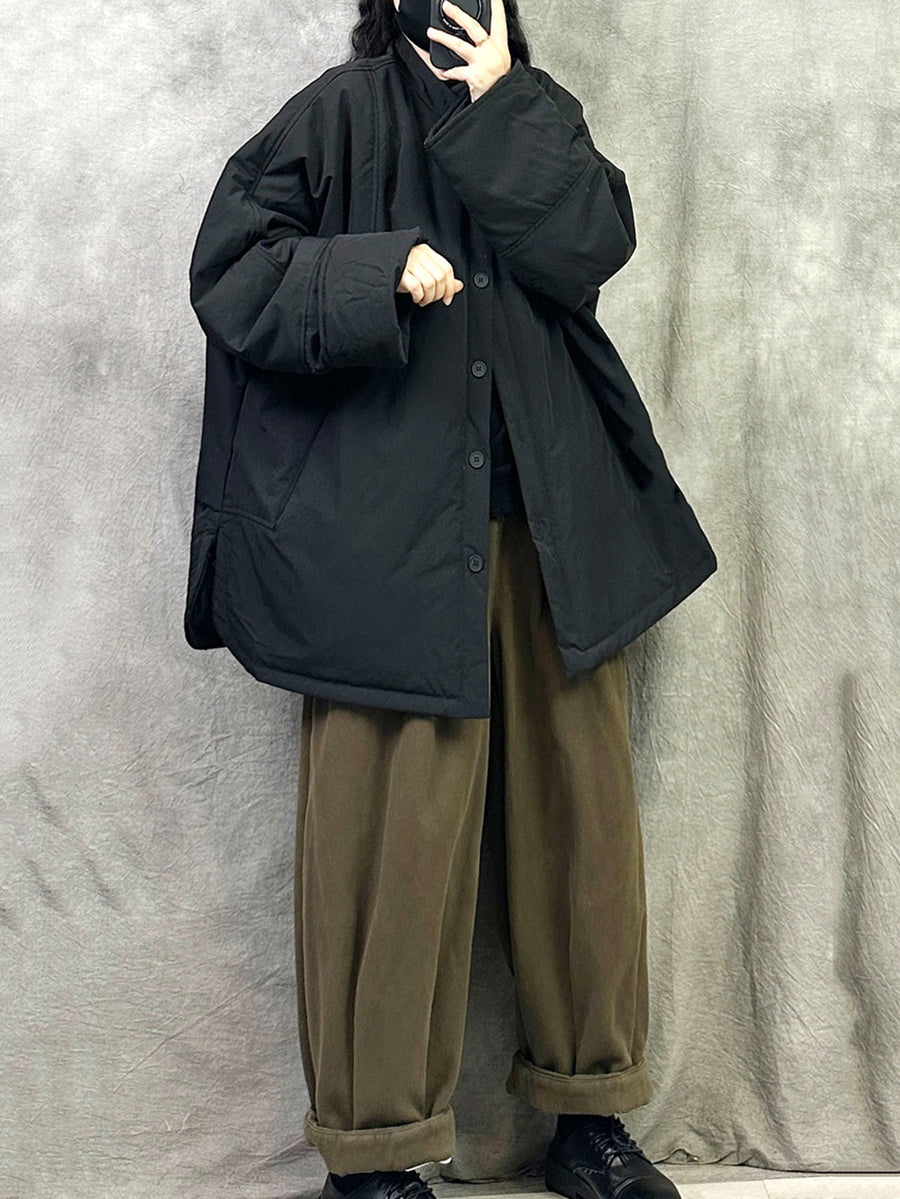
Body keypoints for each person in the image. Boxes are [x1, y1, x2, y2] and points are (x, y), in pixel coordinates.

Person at [185, 1, 717, 1197]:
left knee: (583, 824)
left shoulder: (537, 108)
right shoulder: (334, 116)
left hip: (554, 535)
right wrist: (375, 269)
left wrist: (505, 107)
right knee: (387, 843)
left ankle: (592, 1120)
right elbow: (231, 270)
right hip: (388, 552)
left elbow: (592, 246)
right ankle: (373, 1156)